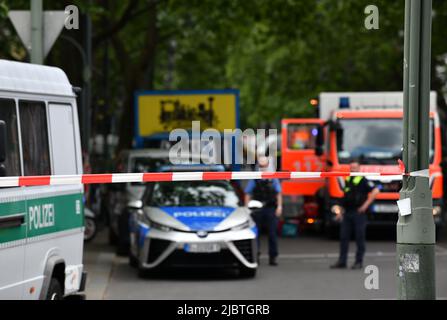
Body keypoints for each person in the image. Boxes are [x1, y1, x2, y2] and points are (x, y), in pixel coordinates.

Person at [330, 160, 380, 269]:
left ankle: (358, 262)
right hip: (347, 213)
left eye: (354, 168)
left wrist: (365, 205)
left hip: (359, 213)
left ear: (359, 169)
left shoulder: (363, 180)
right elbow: (345, 198)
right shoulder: (348, 180)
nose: (352, 169)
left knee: (359, 238)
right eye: (351, 168)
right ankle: (342, 261)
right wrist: (340, 212)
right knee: (344, 238)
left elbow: (376, 190)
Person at [244, 156, 283, 266]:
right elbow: (248, 193)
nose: (263, 167)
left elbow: (278, 193)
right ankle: (256, 255)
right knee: (256, 234)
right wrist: (247, 209)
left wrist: (279, 207)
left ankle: (273, 256)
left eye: (265, 165)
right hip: (257, 209)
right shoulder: (255, 178)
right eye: (261, 166)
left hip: (271, 208)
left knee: (272, 234)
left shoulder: (273, 178)